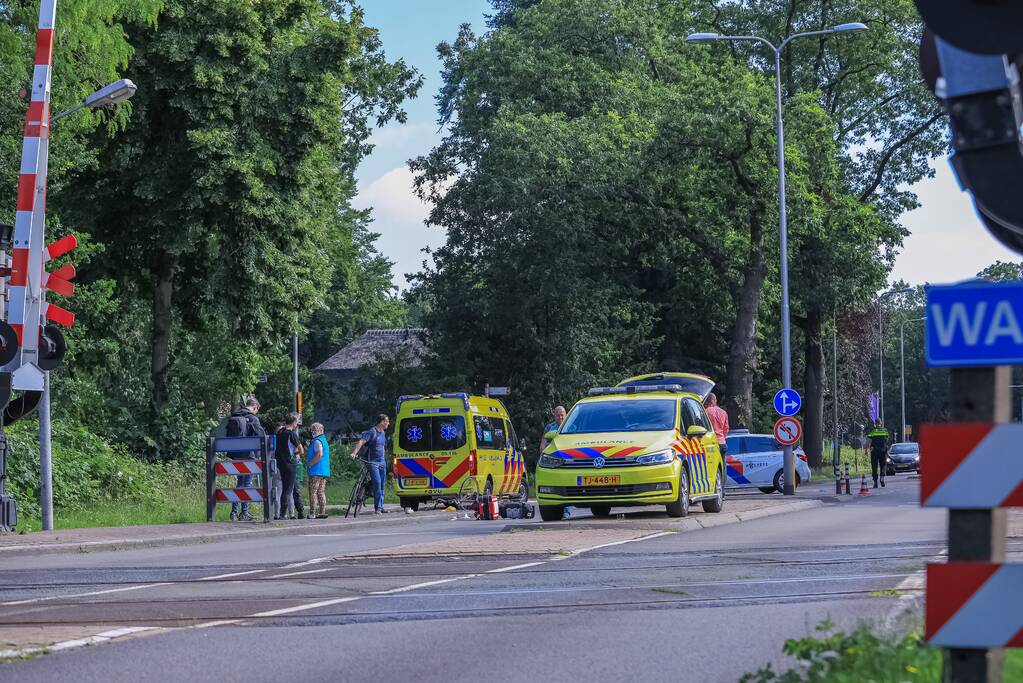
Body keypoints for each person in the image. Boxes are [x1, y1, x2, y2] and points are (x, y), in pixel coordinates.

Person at [227, 398, 265, 522]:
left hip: (236, 455)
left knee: (239, 484)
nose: (256, 412)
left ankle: (233, 513)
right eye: (257, 409)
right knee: (247, 484)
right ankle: (244, 512)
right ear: (254, 407)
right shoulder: (253, 418)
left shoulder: (235, 415)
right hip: (249, 455)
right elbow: (261, 435)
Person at [352, 414, 390, 515]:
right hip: (373, 461)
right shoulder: (372, 431)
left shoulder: (383, 433)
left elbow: (382, 447)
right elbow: (361, 442)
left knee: (382, 484)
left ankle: (381, 507)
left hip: (382, 462)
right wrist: (354, 453)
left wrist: (385, 460)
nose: (388, 423)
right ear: (382, 422)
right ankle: (377, 508)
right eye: (387, 421)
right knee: (377, 483)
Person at [539, 406, 570, 517]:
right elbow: (543, 442)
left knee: (567, 484)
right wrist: (543, 454)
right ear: (554, 415)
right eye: (558, 414)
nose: (560, 417)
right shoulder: (549, 427)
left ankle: (566, 512)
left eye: (562, 414)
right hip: (553, 461)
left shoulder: (571, 426)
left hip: (567, 460)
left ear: (566, 415)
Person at [275, 413, 305, 519]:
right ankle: (283, 514)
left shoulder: (279, 433)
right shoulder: (291, 434)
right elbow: (301, 450)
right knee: (288, 490)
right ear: (294, 423)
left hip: (280, 464)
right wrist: (295, 455)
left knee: (284, 488)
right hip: (290, 464)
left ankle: (281, 513)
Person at [307, 422, 330, 519]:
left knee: (313, 491)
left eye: (314, 430)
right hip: (324, 470)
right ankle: (322, 512)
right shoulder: (324, 440)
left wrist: (310, 464)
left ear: (320, 430)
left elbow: (319, 454)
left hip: (316, 470)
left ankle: (312, 513)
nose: (312, 432)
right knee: (321, 491)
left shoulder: (317, 441)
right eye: (312, 430)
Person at [867, 423, 890, 489]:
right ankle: (882, 477)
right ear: (881, 423)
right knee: (883, 464)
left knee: (874, 466)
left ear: (875, 424)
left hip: (874, 450)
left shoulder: (873, 431)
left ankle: (875, 482)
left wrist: (866, 450)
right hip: (883, 450)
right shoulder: (885, 430)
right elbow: (887, 440)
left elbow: (868, 440)